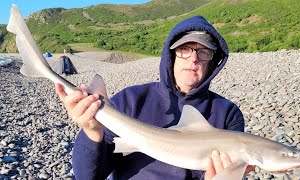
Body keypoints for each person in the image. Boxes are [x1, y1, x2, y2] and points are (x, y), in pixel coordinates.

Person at [56, 15, 253, 179]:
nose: (194, 59)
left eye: (204, 52)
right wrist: (91, 131)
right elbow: (87, 176)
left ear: (212, 62)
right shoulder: (130, 101)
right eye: (184, 50)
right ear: (171, 55)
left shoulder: (227, 114)